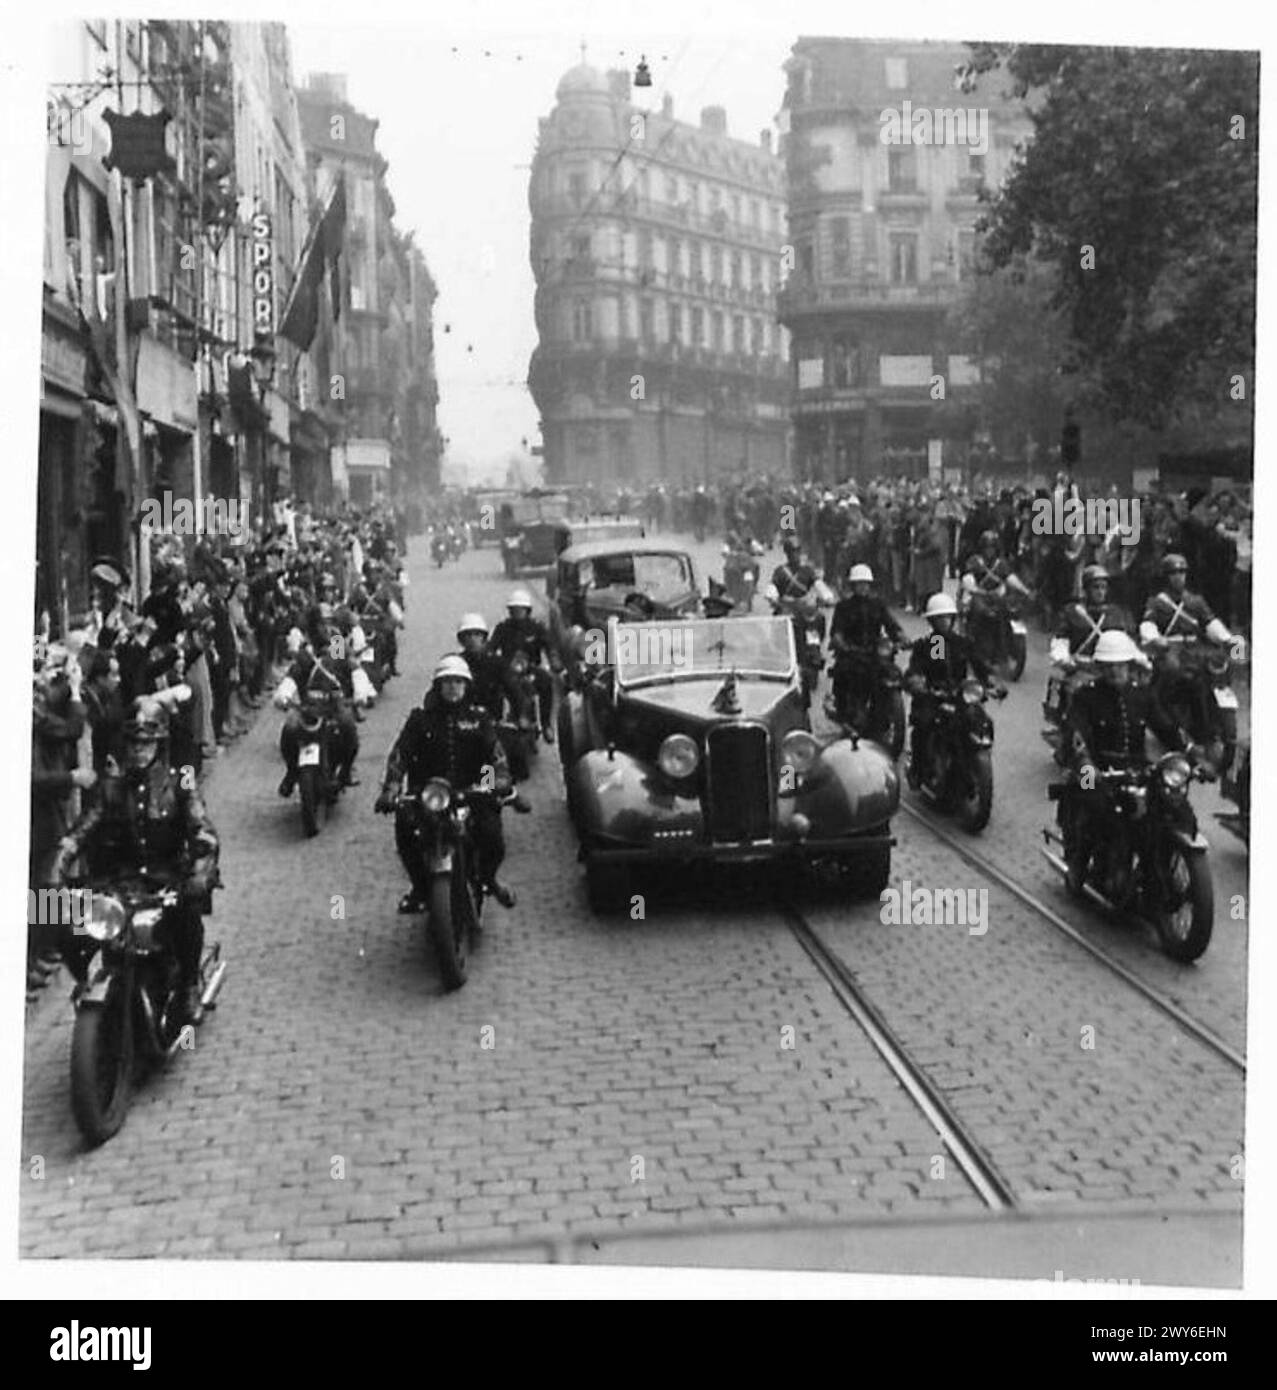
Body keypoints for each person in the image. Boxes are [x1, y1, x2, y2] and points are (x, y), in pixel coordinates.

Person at [51, 697, 219, 1026]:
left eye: (147, 743)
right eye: (134, 743)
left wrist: (200, 869)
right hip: (118, 883)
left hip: (168, 880)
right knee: (53, 914)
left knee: (186, 916)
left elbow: (203, 828)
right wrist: (61, 859)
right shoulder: (110, 787)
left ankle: (187, 987)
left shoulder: (179, 782)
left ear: (159, 744)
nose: (140, 750)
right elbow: (85, 826)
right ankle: (86, 980)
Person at [374, 655, 516, 912]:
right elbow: (400, 754)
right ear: (437, 686)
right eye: (447, 682)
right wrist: (392, 787)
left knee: (492, 835)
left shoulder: (479, 719)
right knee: (406, 829)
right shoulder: (420, 719)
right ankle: (419, 887)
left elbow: (496, 754)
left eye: (458, 682)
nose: (453, 687)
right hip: (429, 796)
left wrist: (500, 779)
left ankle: (489, 879)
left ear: (466, 686)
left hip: (472, 793)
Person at [1062, 630, 1200, 893]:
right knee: (1098, 807)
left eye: (1121, 664)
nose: (1116, 671)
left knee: (1176, 810)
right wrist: (1087, 767)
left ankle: (1162, 863)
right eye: (1109, 666)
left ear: (1130, 664)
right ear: (1100, 667)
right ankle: (1079, 866)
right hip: (1098, 770)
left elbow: (1166, 727)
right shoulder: (1086, 696)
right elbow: (1076, 736)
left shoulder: (1142, 695)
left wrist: (1191, 754)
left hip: (1137, 770)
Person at [904, 592, 1001, 788]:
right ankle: (918, 769)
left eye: (948, 617)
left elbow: (980, 664)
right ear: (932, 621)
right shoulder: (933, 643)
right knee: (924, 724)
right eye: (940, 618)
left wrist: (992, 682)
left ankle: (969, 760)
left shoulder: (962, 642)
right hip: (933, 696)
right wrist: (918, 683)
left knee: (981, 720)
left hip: (959, 695)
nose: (944, 622)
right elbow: (923, 668)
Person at [828, 564, 905, 717]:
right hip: (852, 652)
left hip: (874, 651)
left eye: (865, 584)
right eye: (859, 584)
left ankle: (884, 709)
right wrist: (842, 644)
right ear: (853, 585)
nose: (863, 587)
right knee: (844, 672)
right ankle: (843, 708)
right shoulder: (844, 607)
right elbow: (836, 631)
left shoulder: (877, 605)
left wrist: (901, 637)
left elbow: (891, 625)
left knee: (891, 672)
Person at [489, 589, 559, 743]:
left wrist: (554, 661)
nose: (517, 613)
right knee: (493, 687)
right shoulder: (503, 628)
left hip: (531, 668)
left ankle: (547, 724)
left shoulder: (537, 628)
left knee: (547, 681)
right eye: (514, 610)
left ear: (527, 610)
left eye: (520, 609)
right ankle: (495, 723)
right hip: (508, 670)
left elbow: (549, 646)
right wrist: (490, 661)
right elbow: (491, 648)